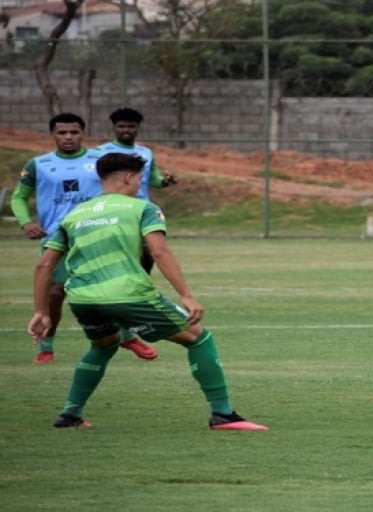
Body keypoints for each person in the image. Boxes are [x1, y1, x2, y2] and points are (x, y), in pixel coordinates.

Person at [27, 153, 267, 431]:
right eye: (140, 179)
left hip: (83, 299)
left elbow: (45, 264)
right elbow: (158, 250)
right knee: (200, 339)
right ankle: (223, 415)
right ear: (129, 177)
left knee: (103, 345)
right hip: (129, 295)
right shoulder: (142, 208)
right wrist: (186, 296)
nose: (140, 184)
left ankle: (70, 415)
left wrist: (41, 311)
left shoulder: (74, 215)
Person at [11, 113, 158, 364]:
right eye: (62, 133)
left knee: (114, 289)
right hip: (58, 236)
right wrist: (26, 222)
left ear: (83, 134)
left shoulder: (100, 159)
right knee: (55, 293)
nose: (68, 137)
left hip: (97, 232)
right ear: (53, 135)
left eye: (74, 132)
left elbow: (129, 180)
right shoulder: (39, 164)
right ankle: (46, 345)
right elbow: (18, 197)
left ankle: (125, 336)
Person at [95, 107, 179, 272]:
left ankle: (142, 281)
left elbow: (152, 179)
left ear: (138, 128)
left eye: (131, 126)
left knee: (149, 251)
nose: (126, 130)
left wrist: (165, 181)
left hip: (140, 210)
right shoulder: (99, 152)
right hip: (113, 210)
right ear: (114, 128)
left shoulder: (145, 152)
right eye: (121, 126)